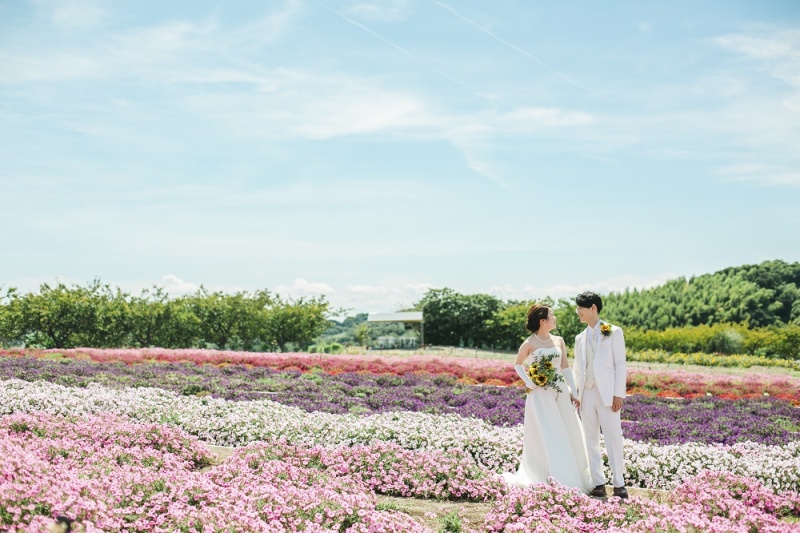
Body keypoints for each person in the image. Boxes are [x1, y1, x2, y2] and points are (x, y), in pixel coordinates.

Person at [502, 303, 593, 492]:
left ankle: (568, 474)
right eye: (552, 315)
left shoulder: (559, 340)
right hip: (539, 396)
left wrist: (573, 391)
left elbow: (565, 367)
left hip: (559, 392)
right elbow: (518, 365)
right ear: (543, 321)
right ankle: (546, 474)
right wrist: (529, 381)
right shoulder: (529, 343)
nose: (555, 318)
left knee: (566, 431)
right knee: (546, 434)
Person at [573, 291, 628, 499]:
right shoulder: (580, 338)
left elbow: (620, 364)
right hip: (586, 395)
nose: (578, 312)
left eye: (581, 308)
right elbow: (578, 367)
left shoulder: (614, 332)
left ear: (593, 308)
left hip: (608, 395)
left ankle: (619, 483)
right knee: (590, 439)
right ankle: (598, 483)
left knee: (614, 438)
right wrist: (577, 393)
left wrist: (618, 394)